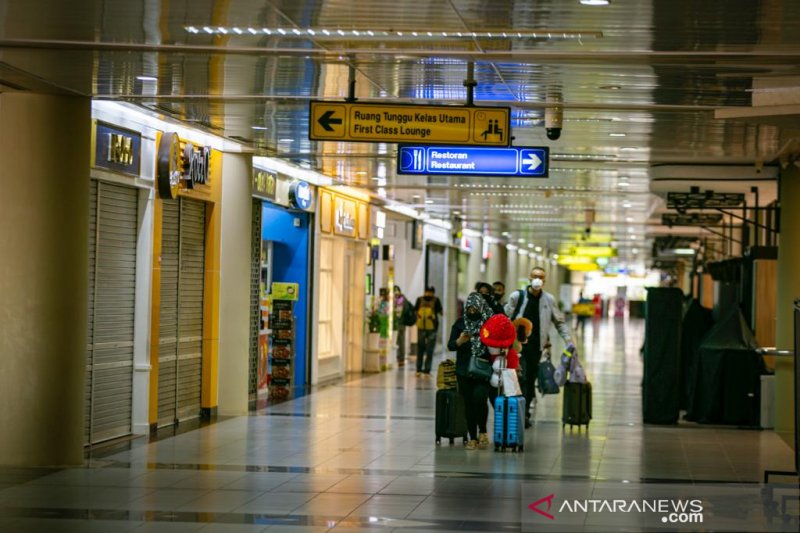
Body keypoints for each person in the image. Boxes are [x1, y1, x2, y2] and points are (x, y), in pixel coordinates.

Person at [505, 266, 574, 428]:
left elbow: (559, 322)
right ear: (529, 278)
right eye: (535, 276)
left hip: (537, 348)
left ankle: (525, 413)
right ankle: (519, 413)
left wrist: (568, 340)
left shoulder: (549, 300)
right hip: (517, 347)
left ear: (544, 281)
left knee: (530, 379)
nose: (537, 279)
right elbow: (505, 317)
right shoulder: (517, 296)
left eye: (541, 277)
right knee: (520, 379)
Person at [447, 292, 493, 450]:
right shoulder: (460, 323)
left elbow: (497, 344)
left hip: (483, 370)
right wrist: (460, 341)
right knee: (468, 404)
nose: (472, 310)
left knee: (480, 398)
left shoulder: (489, 324)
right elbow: (450, 345)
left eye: (476, 306)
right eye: (470, 306)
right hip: (464, 370)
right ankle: (472, 437)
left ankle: (483, 431)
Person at [415, 286, 443, 377]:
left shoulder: (420, 299)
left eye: (429, 292)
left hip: (428, 328)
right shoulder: (435, 300)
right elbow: (441, 312)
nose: (428, 294)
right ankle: (424, 370)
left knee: (424, 349)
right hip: (428, 328)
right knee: (425, 349)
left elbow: (415, 311)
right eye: (427, 292)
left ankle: (421, 370)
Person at [393, 286, 410, 367]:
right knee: (400, 340)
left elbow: (398, 311)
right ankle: (400, 357)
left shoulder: (400, 299)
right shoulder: (402, 298)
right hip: (400, 322)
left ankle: (401, 358)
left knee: (400, 340)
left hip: (400, 322)